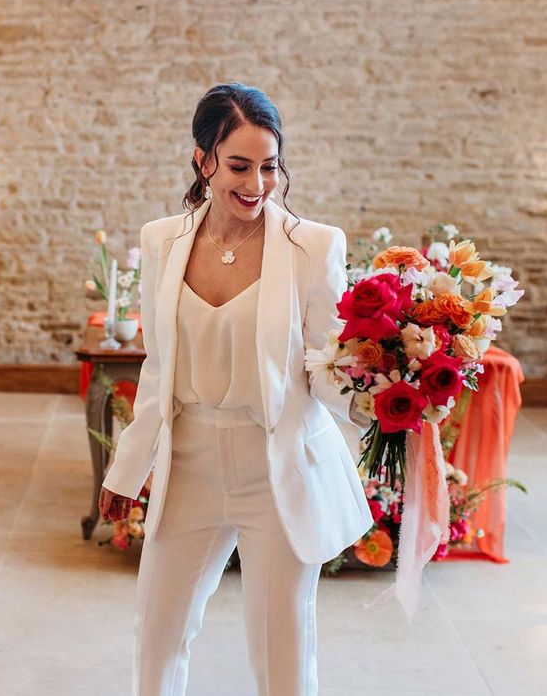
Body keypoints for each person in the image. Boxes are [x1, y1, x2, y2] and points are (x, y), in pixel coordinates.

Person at [99, 82, 373, 696]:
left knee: (281, 650)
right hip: (189, 462)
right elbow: (157, 365)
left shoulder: (313, 247)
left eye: (270, 167)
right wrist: (127, 468)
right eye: (239, 166)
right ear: (203, 161)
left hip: (276, 467)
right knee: (157, 636)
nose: (257, 184)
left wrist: (391, 400)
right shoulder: (161, 240)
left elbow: (328, 366)